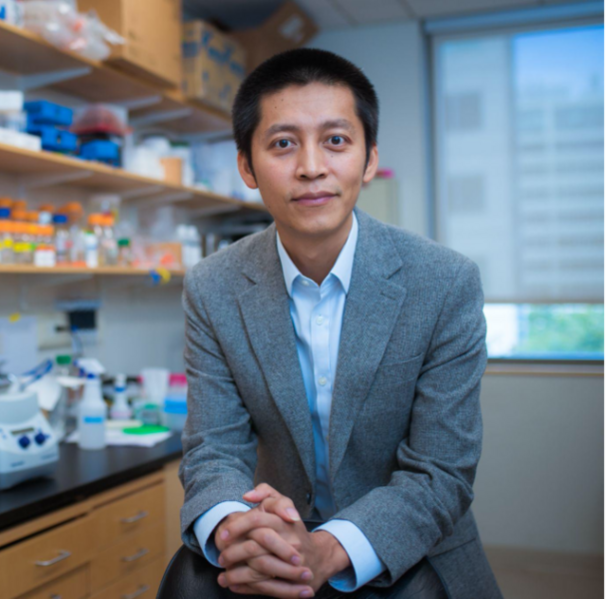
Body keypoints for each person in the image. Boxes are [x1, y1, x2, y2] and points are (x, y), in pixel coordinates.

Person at [178, 48, 502, 598]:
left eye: (336, 140)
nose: (310, 166)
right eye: (282, 143)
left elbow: (441, 473)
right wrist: (237, 528)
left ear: (369, 160)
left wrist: (326, 550)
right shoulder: (213, 286)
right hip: (274, 558)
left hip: (415, 562)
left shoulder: (444, 282)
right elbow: (213, 449)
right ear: (246, 167)